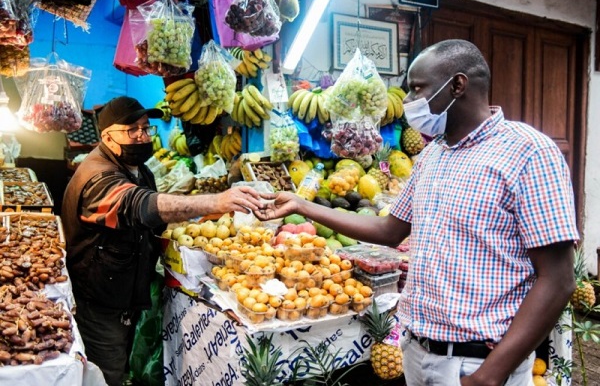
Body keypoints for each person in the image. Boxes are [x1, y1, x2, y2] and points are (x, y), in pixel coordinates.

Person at [254, 39, 579, 386]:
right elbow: (389, 230)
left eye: (417, 89)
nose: (408, 101)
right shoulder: (432, 156)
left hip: (478, 364)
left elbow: (558, 280)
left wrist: (490, 374)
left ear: (457, 85)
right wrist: (303, 205)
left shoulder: (528, 152)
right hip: (419, 354)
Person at [62, 96, 263, 386]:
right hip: (100, 300)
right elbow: (140, 206)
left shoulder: (137, 168)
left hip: (123, 292)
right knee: (106, 374)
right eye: (132, 130)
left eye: (146, 128)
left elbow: (154, 217)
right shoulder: (98, 177)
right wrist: (214, 201)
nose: (143, 136)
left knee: (120, 363)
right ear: (107, 136)